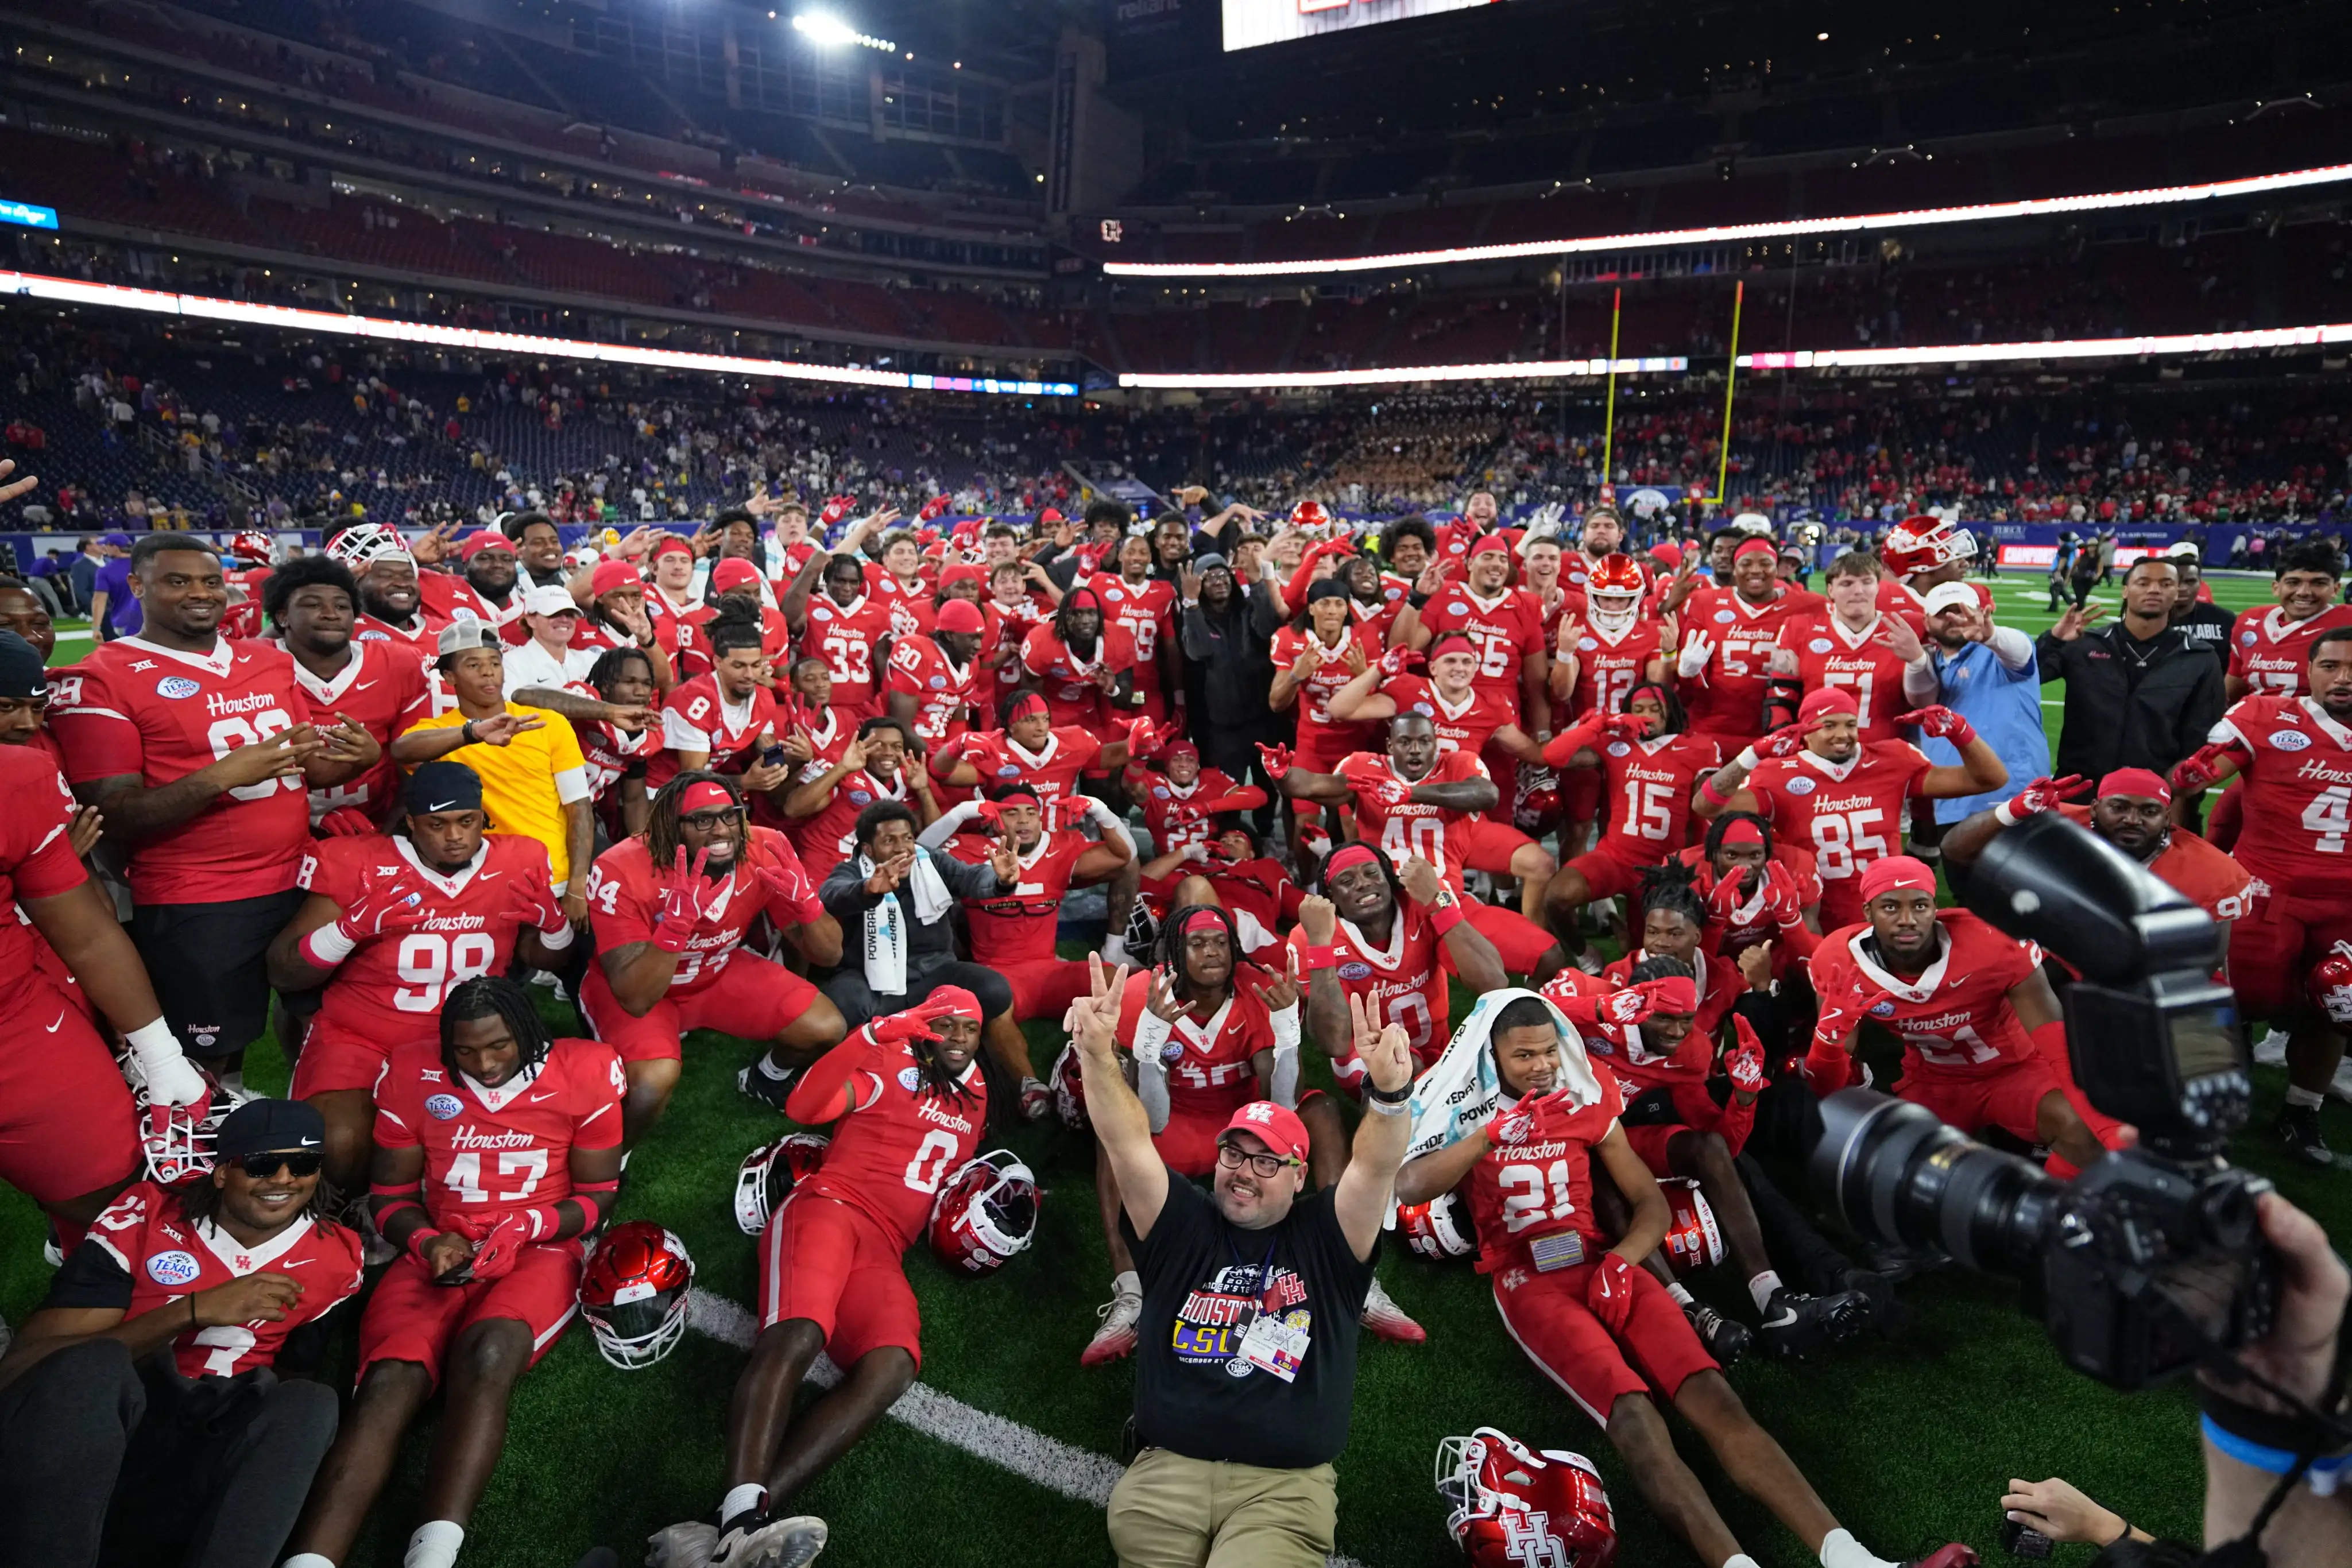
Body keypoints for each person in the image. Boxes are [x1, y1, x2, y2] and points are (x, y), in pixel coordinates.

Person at [1392, 992, 1970, 1568]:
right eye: (1524, 1055)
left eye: (1548, 1050)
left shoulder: (1584, 1093)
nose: (1542, 1065)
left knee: (1716, 1399)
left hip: (1600, 1259)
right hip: (1529, 1280)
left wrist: (1623, 1260)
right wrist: (1489, 1135)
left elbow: (1649, 1202)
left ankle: (1855, 1560)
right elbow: (1410, 1185)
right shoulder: (1467, 1109)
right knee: (1634, 1417)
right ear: (1492, 1056)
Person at [1067, 950, 1413, 1568]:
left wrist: (1388, 1097)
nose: (1243, 1172)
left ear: (1300, 1175)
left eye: (1266, 1160)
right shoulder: (1184, 1221)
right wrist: (1096, 1054)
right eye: (1234, 1153)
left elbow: (1375, 1166)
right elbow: (1125, 1139)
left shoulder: (1328, 1235)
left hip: (1282, 1490)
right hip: (1163, 1478)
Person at [280, 979, 624, 1568]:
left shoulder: (585, 1070)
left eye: (498, 1046)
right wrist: (426, 1240)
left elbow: (598, 1196)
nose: (484, 1064)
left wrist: (528, 1224)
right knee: (389, 1381)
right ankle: (310, 1562)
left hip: (538, 1246)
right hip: (442, 1243)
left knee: (488, 1354)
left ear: (527, 1031)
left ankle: (433, 1555)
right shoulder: (413, 1071)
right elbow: (389, 1198)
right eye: (465, 1051)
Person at [661, 991, 991, 1568]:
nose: (958, 1036)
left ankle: (726, 1531)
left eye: (970, 1027)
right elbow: (804, 1106)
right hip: (830, 1207)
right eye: (945, 1024)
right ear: (923, 1027)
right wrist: (869, 1036)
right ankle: (741, 1525)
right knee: (800, 1333)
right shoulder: (891, 1059)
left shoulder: (978, 1092)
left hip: (885, 1245)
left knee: (893, 1365)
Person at [49, 535, 379, 1077]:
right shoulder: (102, 677)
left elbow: (306, 766)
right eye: (177, 581)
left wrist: (359, 760)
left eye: (209, 581)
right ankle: (210, 1120)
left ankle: (290, 1110)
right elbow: (114, 813)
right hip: (200, 893)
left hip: (300, 873)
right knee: (209, 1049)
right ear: (137, 586)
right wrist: (219, 778)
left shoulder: (268, 659)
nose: (200, 593)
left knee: (323, 1015)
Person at [0, 1099, 360, 1568]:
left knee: (311, 1402)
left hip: (200, 1450)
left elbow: (295, 1376)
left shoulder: (337, 1257)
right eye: (262, 1164)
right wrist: (190, 1312)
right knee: (96, 1364)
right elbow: (23, 1368)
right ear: (222, 1172)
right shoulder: (146, 1218)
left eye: (304, 1164)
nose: (284, 1179)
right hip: (101, 1428)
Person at [265, 761, 575, 1196]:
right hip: (362, 1034)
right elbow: (284, 971)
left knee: (505, 1150)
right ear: (411, 823)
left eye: (466, 821)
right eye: (437, 824)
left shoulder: (519, 859)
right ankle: (346, 1215)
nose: (455, 836)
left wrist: (555, 925)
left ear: (482, 817)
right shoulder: (359, 862)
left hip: (468, 1041)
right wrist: (348, 929)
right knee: (337, 1142)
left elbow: (543, 957)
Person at [582, 772, 846, 1145]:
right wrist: (675, 928)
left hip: (717, 967)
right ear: (671, 826)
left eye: (729, 815)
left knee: (826, 1026)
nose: (721, 830)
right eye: (703, 820)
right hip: (646, 986)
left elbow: (829, 954)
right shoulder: (621, 867)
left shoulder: (766, 848)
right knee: (651, 1083)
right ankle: (614, 1155)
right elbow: (635, 998)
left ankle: (765, 1077)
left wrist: (808, 905)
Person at [2168, 626, 2352, 1162]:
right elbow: (2196, 779)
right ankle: (2214, 1097)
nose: (2343, 678)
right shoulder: (2267, 715)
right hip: (2267, 892)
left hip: (2345, 904)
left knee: (2335, 1004)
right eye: (2331, 666)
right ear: (2309, 670)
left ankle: (2302, 1110)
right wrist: (2189, 781)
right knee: (2236, 1000)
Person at [1802, 856, 2109, 1174]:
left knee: (2083, 1128)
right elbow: (1828, 1086)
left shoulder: (1992, 941)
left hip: (2016, 1070)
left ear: (1935, 909)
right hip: (1934, 1079)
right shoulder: (1840, 961)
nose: (1907, 920)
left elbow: (2055, 1041)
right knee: (1901, 1164)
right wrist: (1827, 1040)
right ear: (1868, 912)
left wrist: (2097, 1118)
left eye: (1920, 906)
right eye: (1890, 907)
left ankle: (2052, 1202)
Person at [1270, 711, 1564, 978]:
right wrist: (1283, 776)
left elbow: (1486, 794)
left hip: (1446, 901)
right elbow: (1312, 785)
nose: (1415, 749)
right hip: (1388, 910)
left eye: (1424, 741)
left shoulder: (1458, 764)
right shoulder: (1365, 767)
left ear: (1436, 745)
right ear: (1390, 746)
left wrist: (1410, 794)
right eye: (1405, 742)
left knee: (1548, 956)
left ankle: (1517, 1018)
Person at [1691, 687, 2006, 931]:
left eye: (1850, 724)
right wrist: (1753, 754)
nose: (1842, 735)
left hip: (1889, 907)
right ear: (1806, 731)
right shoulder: (1778, 774)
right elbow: (1707, 807)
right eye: (1829, 725)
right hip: (1815, 911)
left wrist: (1959, 731)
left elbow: (1991, 779)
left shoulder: (1892, 760)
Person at [392, 621, 595, 923]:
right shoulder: (440, 732)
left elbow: (579, 807)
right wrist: (473, 733)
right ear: (449, 676)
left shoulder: (546, 723)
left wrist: (577, 887)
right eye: (473, 665)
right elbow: (401, 750)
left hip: (553, 880)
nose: (488, 672)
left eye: (495, 663)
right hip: (478, 885)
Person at [1541, 682, 1720, 970]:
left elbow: (1708, 807)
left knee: (1648, 960)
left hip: (1665, 868)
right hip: (1615, 857)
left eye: (1655, 709)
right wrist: (1599, 724)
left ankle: (1621, 929)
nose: (1647, 715)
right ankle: (1587, 957)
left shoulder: (1698, 747)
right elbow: (1552, 755)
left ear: (1670, 712)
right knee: (1556, 897)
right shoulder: (1616, 743)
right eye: (1639, 709)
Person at [815, 799, 1016, 1036]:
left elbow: (969, 876)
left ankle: (931, 1031)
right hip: (870, 979)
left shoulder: (931, 861)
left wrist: (1000, 880)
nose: (902, 848)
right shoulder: (854, 870)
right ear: (868, 849)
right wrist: (868, 889)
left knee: (995, 990)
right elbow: (831, 894)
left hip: (935, 971)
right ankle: (881, 1035)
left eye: (907, 838)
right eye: (889, 841)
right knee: (843, 1006)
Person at [264, 553, 432, 828]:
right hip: (282, 824)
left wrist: (392, 832)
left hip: (379, 821)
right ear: (282, 617)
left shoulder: (398, 663)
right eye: (313, 605)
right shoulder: (254, 664)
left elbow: (413, 762)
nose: (331, 614)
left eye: (342, 606)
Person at [2037, 558, 2224, 785]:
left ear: (2176, 593)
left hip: (2151, 792)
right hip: (2079, 786)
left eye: (2166, 584)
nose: (2154, 590)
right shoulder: (2085, 643)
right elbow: (2031, 677)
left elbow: (2201, 734)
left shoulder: (2199, 657)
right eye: (2143, 583)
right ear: (2125, 591)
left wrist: (2180, 793)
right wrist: (2054, 640)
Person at [1897, 582, 2048, 839]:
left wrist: (1991, 636)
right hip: (1954, 801)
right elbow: (1920, 700)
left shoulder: (2000, 652)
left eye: (1962, 610)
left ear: (1979, 612)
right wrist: (1916, 661)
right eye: (1943, 613)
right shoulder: (1933, 663)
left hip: (2015, 798)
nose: (1954, 618)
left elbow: (2020, 650)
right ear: (1927, 622)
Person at [1672, 537, 1827, 754]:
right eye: (1746, 564)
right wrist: (1688, 673)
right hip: (1711, 728)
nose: (1755, 570)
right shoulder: (1705, 602)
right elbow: (1686, 690)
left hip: (1777, 730)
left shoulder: (1810, 605)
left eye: (1765, 563)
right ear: (1735, 569)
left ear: (1777, 568)